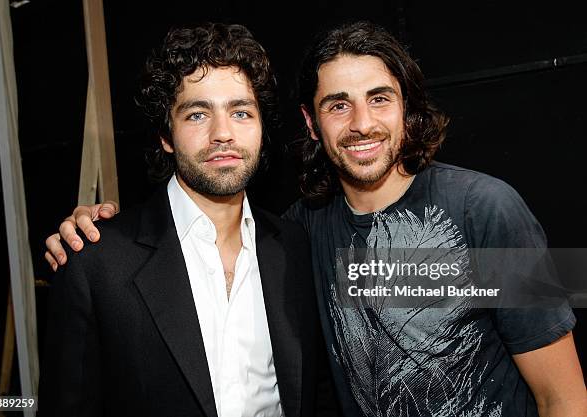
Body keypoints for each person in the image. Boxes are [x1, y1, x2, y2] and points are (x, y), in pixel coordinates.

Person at [44, 21, 587, 417]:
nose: (362, 123)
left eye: (380, 99)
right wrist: (94, 232)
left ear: (407, 107)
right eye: (337, 105)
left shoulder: (489, 208)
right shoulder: (306, 233)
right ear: (311, 122)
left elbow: (563, 394)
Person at [38, 23, 329, 417]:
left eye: (241, 112)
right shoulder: (97, 262)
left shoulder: (295, 246)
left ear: (261, 128)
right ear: (166, 135)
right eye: (197, 115)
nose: (222, 133)